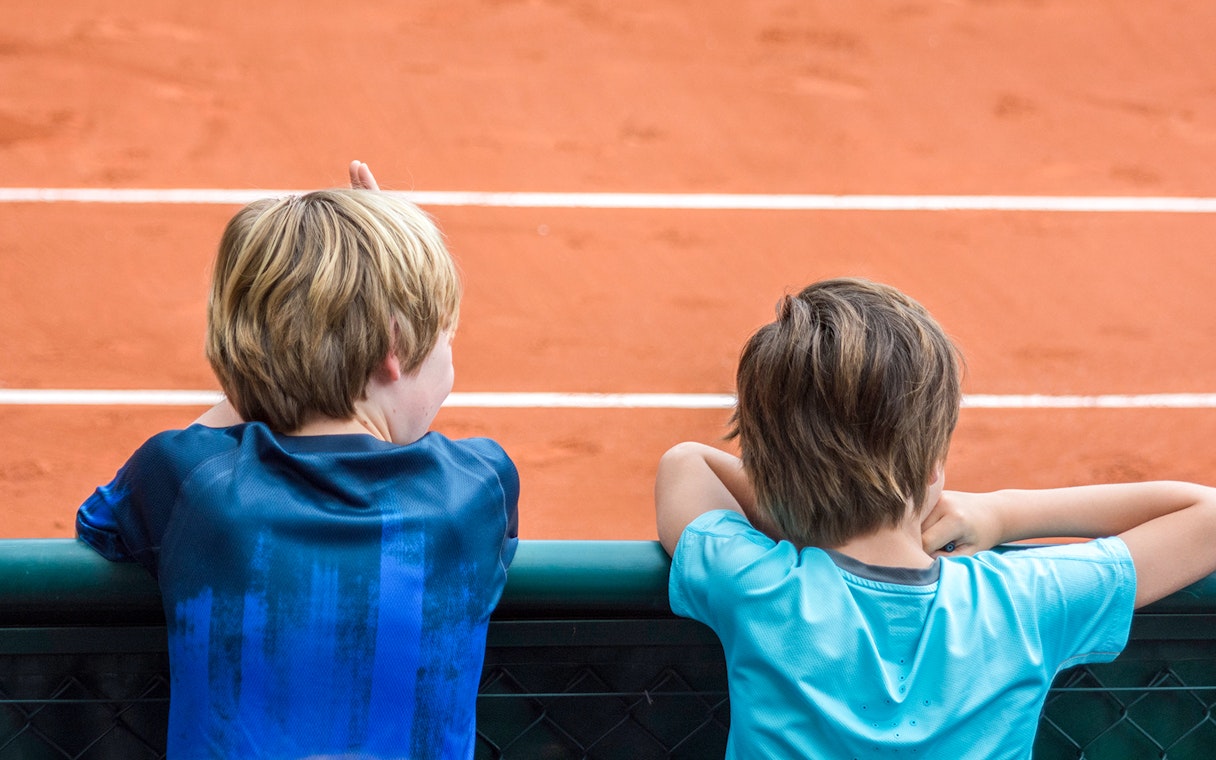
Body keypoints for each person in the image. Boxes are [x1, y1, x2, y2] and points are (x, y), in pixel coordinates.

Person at [655, 277, 1216, 759]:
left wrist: (801, 495)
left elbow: (687, 465)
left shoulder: (754, 586)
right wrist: (1002, 512)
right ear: (933, 468)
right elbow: (1207, 515)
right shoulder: (1023, 601)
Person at [76, 161, 519, 759]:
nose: (450, 358)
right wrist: (392, 268)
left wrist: (274, 356)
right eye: (444, 335)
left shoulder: (190, 482)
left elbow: (98, 522)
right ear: (396, 348)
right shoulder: (476, 488)